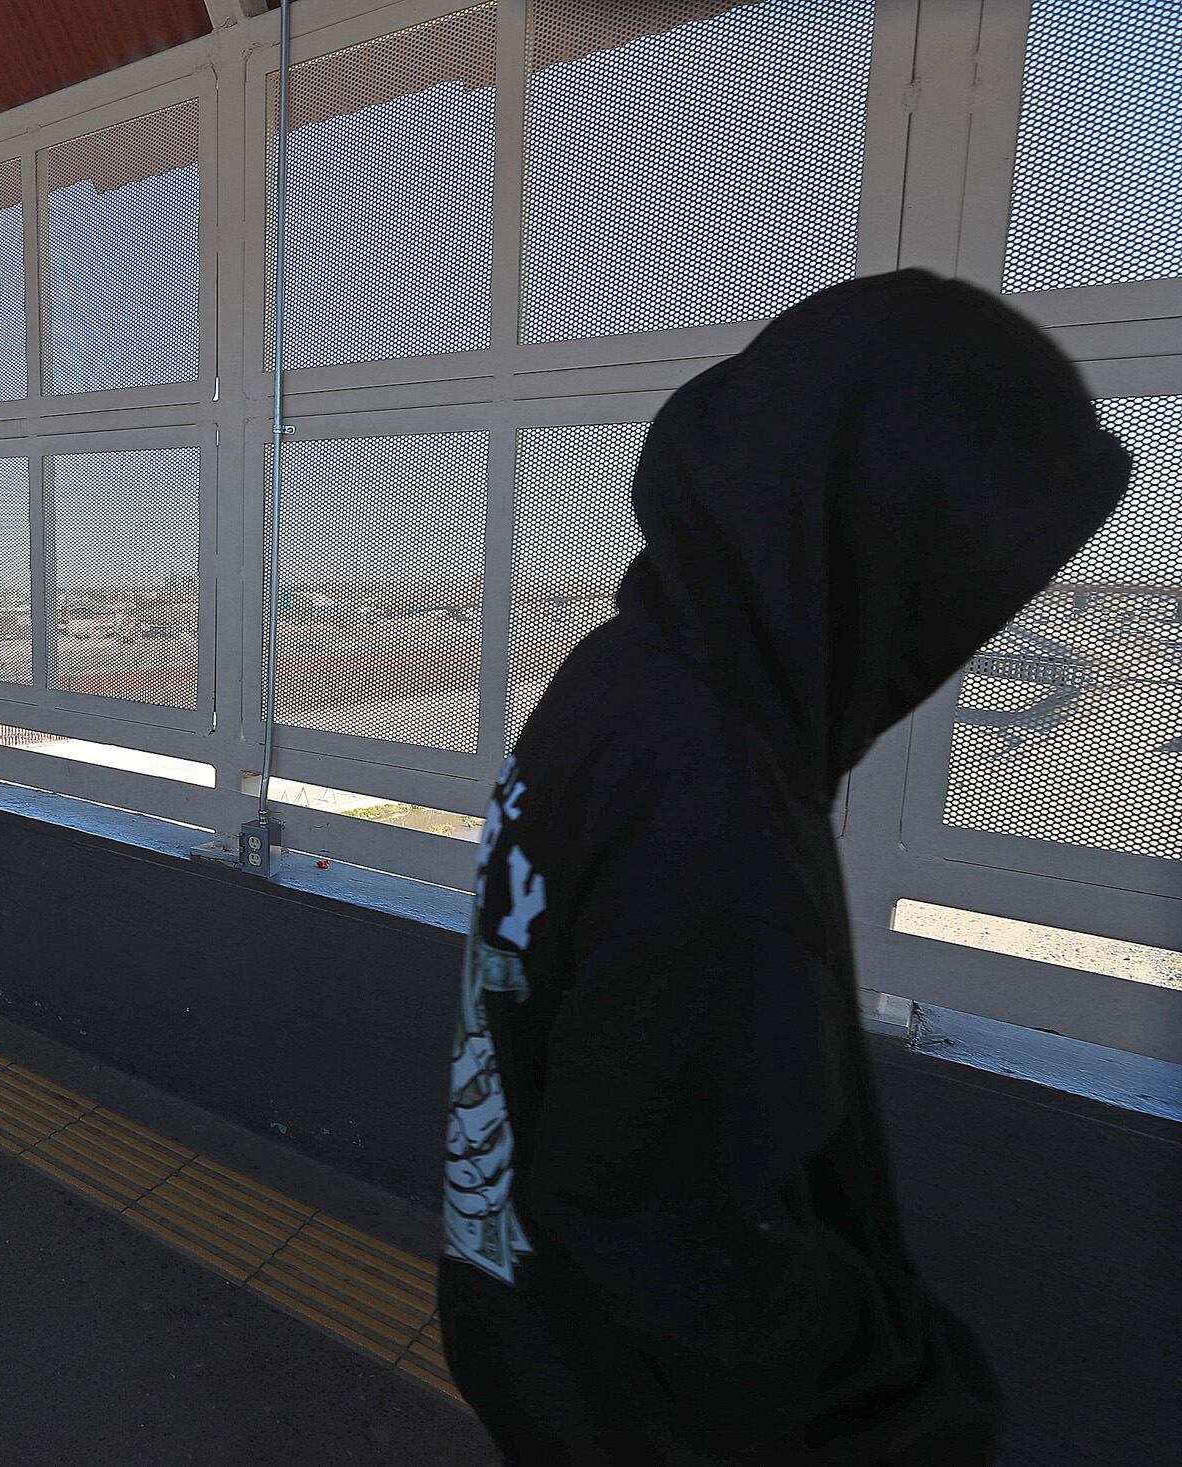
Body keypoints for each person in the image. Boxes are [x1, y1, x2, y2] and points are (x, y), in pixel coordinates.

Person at [434, 271, 1131, 1465]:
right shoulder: (713, 796)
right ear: (873, 531)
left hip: (531, 1334)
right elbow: (681, 1238)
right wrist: (916, 1404)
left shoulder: (625, 673)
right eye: (963, 576)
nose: (977, 625)